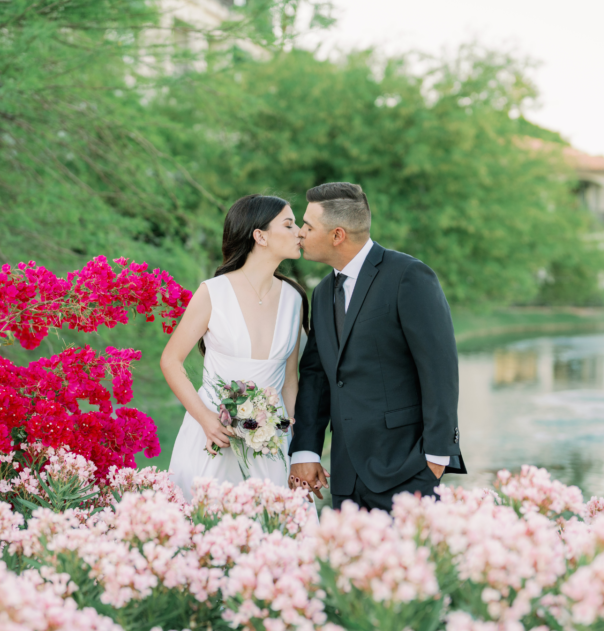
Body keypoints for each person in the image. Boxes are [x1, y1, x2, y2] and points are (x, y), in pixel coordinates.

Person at [289, 182, 466, 512]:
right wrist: (306, 451)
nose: (300, 232)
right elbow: (315, 376)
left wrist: (438, 454)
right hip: (345, 475)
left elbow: (440, 368)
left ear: (337, 235)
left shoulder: (408, 276)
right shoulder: (323, 291)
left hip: (408, 468)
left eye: (308, 226)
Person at [162, 195, 308, 500]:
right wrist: (205, 418)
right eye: (289, 224)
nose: (300, 232)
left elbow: (290, 381)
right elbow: (171, 361)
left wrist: (298, 450)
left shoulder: (294, 298)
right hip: (214, 436)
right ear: (260, 236)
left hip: (272, 442)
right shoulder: (212, 293)